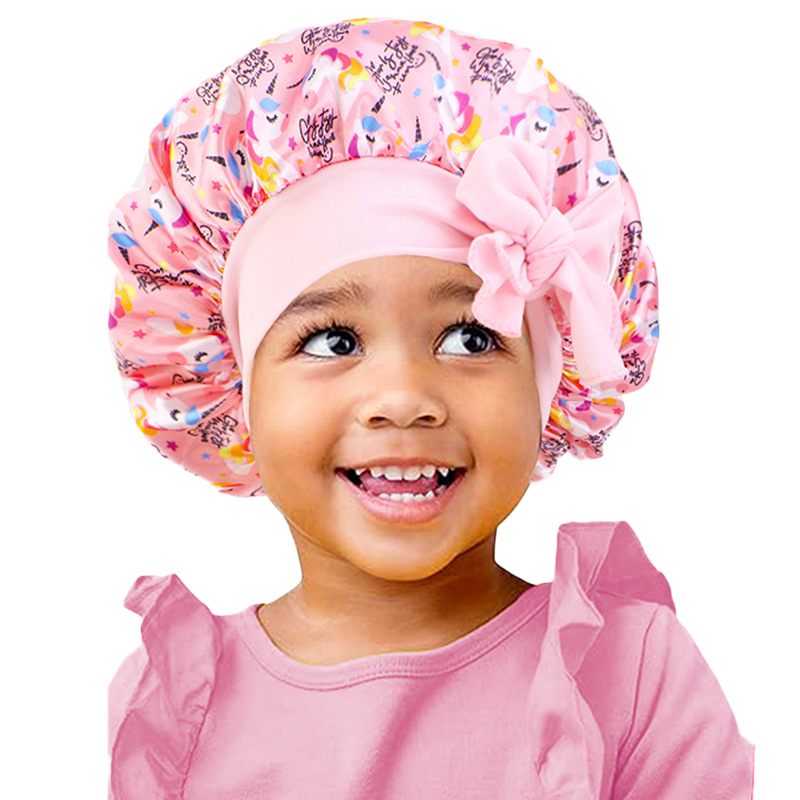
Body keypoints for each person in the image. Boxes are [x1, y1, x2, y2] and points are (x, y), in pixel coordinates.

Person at [106, 17, 754, 798]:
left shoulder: (626, 675)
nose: (404, 399)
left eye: (470, 338)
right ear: (237, 397)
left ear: (548, 389)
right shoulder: (181, 701)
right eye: (333, 342)